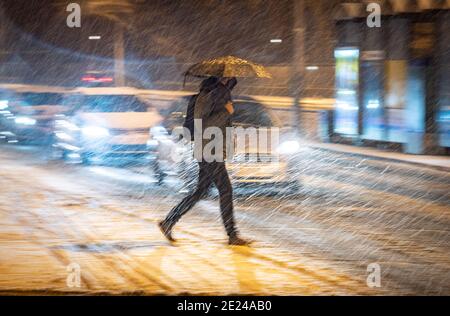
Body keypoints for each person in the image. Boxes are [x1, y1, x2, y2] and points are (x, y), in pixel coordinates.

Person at [159, 77, 250, 246]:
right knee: (226, 191)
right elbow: (204, 124)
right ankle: (232, 234)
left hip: (210, 149)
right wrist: (226, 111)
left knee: (201, 191)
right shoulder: (208, 96)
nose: (229, 77)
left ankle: (168, 222)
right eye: (226, 76)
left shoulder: (216, 94)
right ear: (218, 78)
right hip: (210, 150)